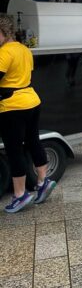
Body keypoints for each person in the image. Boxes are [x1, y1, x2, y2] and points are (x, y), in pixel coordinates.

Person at [0, 14, 56, 213]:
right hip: (32, 100)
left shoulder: (4, 53)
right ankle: (43, 182)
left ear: (4, 33)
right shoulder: (24, 49)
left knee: (14, 150)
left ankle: (20, 195)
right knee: (33, 141)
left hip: (12, 107)